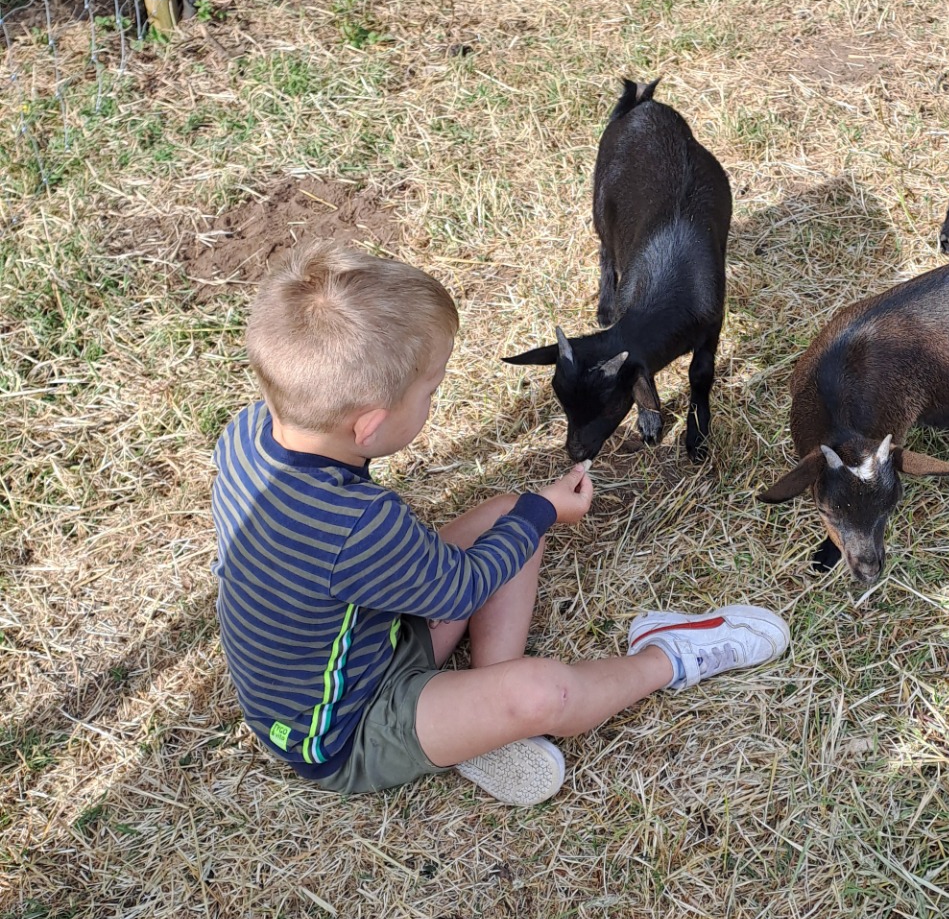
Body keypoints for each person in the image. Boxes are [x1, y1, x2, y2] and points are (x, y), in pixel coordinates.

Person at [210, 241, 788, 805]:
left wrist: (526, 515)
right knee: (544, 694)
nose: (434, 400)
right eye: (431, 390)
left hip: (362, 638)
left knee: (511, 518)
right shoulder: (358, 525)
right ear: (370, 426)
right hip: (345, 728)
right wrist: (544, 513)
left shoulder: (247, 434)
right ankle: (668, 656)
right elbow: (460, 590)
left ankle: (483, 717)